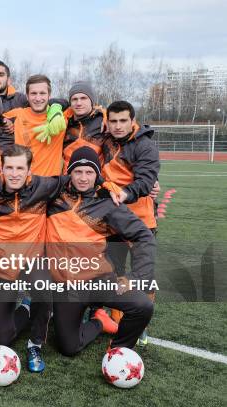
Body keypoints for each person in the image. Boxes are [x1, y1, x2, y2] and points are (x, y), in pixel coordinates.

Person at [46, 146, 155, 356]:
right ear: (69, 172)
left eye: (89, 172)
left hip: (99, 279)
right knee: (69, 348)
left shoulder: (108, 202)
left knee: (142, 306)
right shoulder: (54, 196)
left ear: (97, 174)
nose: (83, 178)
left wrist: (137, 277)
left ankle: (118, 350)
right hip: (66, 286)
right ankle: (99, 321)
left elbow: (143, 236)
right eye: (78, 171)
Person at [0, 144, 69, 372]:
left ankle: (35, 344)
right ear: (1, 170)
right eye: (9, 168)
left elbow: (76, 179)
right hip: (1, 266)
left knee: (44, 288)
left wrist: (109, 185)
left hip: (32, 261)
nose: (14, 173)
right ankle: (25, 308)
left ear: (29, 170)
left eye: (20, 168)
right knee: (2, 338)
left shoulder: (42, 186)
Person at [102, 100, 160, 345]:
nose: (117, 126)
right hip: (113, 220)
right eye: (113, 121)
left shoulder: (145, 146)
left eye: (122, 121)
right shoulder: (105, 141)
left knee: (143, 275)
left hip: (140, 221)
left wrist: (124, 194)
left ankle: (140, 323)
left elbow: (147, 180)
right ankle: (118, 321)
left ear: (132, 120)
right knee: (113, 271)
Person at [6, 75, 67, 176]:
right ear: (27, 96)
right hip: (22, 184)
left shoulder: (61, 117)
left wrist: (102, 114)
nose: (38, 98)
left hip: (50, 186)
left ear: (49, 95)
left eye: (42, 93)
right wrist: (4, 121)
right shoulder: (17, 114)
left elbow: (85, 108)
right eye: (33, 93)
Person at [62, 81, 107, 169]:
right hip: (66, 178)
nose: (79, 103)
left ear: (91, 101)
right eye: (74, 99)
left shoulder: (103, 121)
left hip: (93, 179)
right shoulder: (63, 122)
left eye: (83, 98)